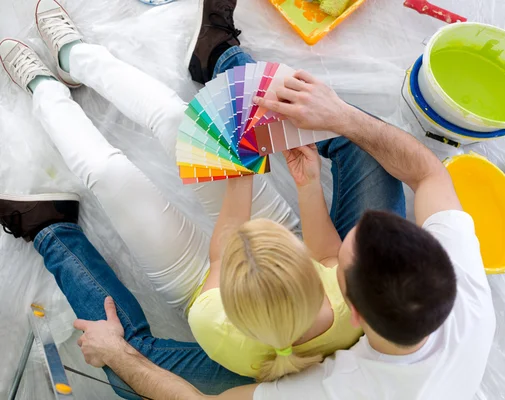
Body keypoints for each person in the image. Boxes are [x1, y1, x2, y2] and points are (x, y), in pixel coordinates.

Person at [61, 3, 497, 400]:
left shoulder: (325, 387)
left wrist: (116, 354)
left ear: (354, 312)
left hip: (223, 302)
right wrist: (338, 119)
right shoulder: (465, 302)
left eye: (342, 257)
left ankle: (48, 229)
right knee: (357, 138)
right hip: (276, 311)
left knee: (128, 365)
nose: (335, 250)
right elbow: (427, 174)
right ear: (443, 258)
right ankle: (220, 57)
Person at [0, 0, 405, 397]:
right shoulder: (346, 300)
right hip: (253, 262)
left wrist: (238, 175)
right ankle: (78, 59)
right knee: (180, 121)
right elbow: (327, 253)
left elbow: (225, 246)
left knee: (111, 176)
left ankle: (44, 90)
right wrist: (307, 183)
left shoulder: (215, 326)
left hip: (199, 283)